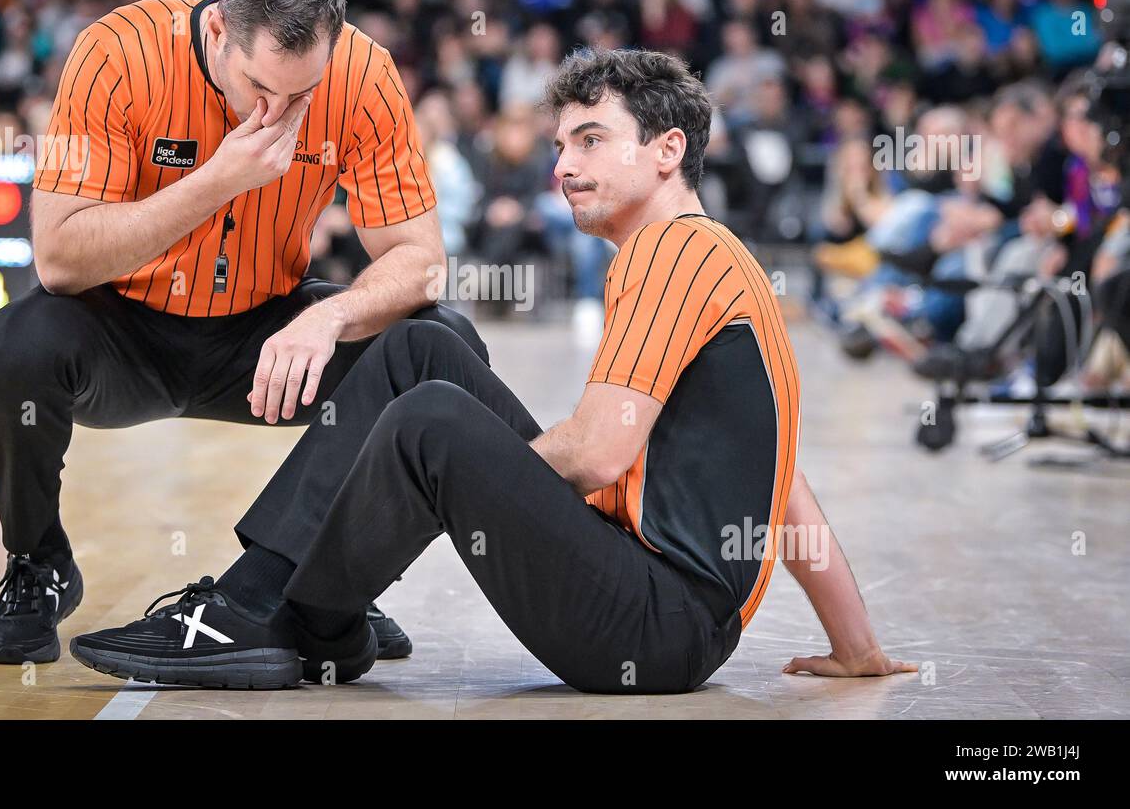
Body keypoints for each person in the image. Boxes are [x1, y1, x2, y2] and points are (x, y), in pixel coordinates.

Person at [70, 48, 914, 693]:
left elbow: (595, 458)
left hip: (651, 627)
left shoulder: (673, 251)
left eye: (591, 140)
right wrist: (856, 646)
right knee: (420, 345)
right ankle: (301, 608)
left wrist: (443, 481)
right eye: (559, 145)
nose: (563, 166)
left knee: (430, 421)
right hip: (664, 609)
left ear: (669, 151)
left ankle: (290, 620)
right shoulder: (721, 257)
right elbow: (785, 484)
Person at [0, 0, 485, 667]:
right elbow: (58, 260)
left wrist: (328, 316)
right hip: (122, 331)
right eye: (262, 89)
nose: (283, 113)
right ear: (217, 32)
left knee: (442, 347)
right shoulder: (115, 51)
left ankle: (328, 577)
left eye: (304, 93)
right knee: (14, 348)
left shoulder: (364, 74)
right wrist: (219, 179)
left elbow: (422, 261)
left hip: (264, 331)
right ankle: (39, 565)